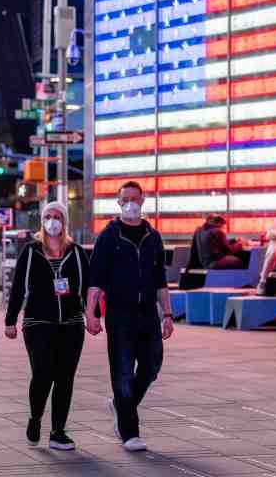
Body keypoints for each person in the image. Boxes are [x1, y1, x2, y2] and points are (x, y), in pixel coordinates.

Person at [85, 181, 174, 452]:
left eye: (135, 198)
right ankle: (129, 432)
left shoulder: (152, 236)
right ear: (118, 201)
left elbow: (160, 279)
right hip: (120, 315)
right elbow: (96, 278)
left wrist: (167, 314)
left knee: (151, 366)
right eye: (126, 199)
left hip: (148, 313)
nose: (131, 203)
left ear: (143, 201)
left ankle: (120, 405)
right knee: (123, 374)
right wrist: (91, 313)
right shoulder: (109, 236)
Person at [4, 202, 89, 451]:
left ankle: (58, 431)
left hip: (72, 324)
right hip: (38, 323)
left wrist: (93, 316)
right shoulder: (31, 251)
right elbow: (18, 288)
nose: (53, 221)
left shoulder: (76, 252)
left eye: (58, 217)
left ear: (65, 221)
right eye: (48, 217)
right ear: (42, 221)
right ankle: (35, 417)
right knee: (42, 373)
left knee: (65, 378)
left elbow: (88, 286)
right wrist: (10, 320)